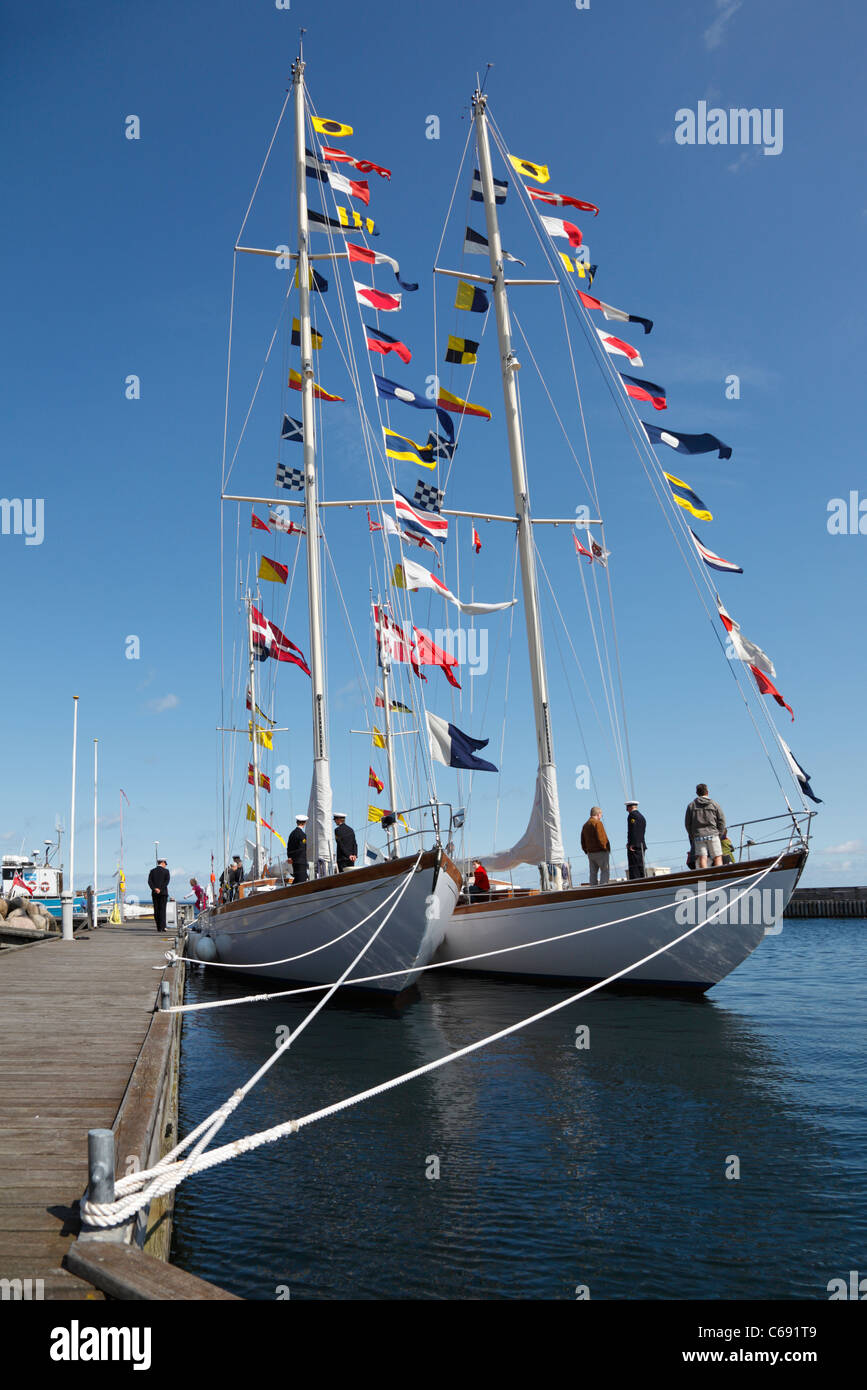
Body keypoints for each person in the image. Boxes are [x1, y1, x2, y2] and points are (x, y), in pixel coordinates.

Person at [685, 783, 727, 870]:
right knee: (717, 857)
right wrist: (719, 834)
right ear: (707, 792)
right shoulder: (714, 804)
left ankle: (704, 877)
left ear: (697, 793)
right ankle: (718, 876)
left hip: (698, 835)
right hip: (713, 833)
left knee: (702, 858)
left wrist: (693, 835)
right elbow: (722, 820)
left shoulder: (691, 806)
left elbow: (687, 824)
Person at [580, 807, 610, 885]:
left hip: (590, 853)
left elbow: (582, 841)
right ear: (598, 814)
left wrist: (586, 850)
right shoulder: (598, 823)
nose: (601, 816)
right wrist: (605, 848)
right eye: (601, 815)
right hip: (600, 851)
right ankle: (603, 889)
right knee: (604, 871)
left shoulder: (585, 825)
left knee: (593, 873)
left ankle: (593, 889)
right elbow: (601, 838)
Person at [625, 800, 647, 879]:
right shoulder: (641, 816)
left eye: (627, 808)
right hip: (641, 845)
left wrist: (632, 844)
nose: (627, 810)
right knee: (641, 867)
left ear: (630, 807)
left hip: (635, 847)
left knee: (634, 868)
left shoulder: (632, 816)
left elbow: (633, 830)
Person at [148, 858, 170, 933]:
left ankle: (158, 927)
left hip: (154, 893)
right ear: (163, 862)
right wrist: (160, 889)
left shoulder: (152, 871)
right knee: (162, 910)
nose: (165, 865)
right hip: (163, 893)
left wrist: (155, 888)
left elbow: (149, 882)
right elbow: (166, 882)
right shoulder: (166, 871)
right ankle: (163, 926)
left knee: (156, 910)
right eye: (165, 864)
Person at [286, 814, 309, 883]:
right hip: (301, 861)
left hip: (294, 861)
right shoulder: (302, 835)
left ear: (297, 822)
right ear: (305, 823)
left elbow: (289, 847)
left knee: (298, 878)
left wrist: (290, 857)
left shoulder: (292, 833)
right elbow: (302, 848)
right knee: (301, 880)